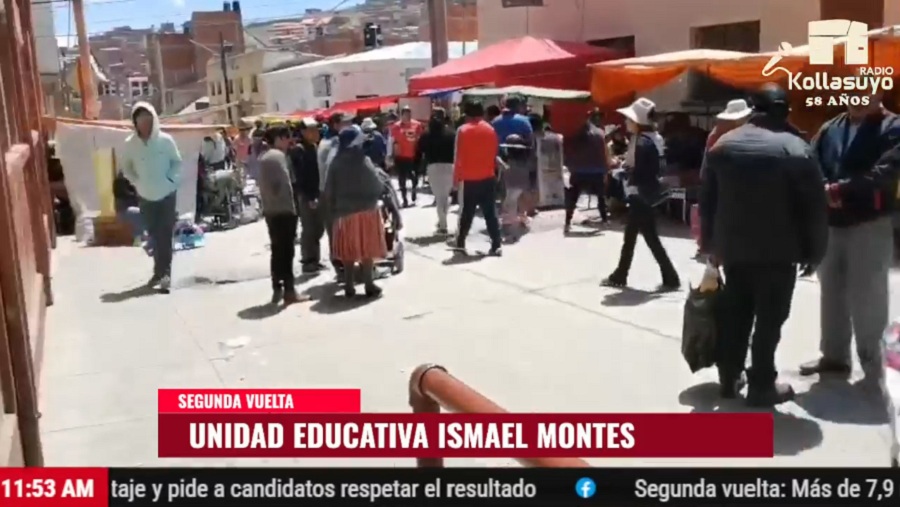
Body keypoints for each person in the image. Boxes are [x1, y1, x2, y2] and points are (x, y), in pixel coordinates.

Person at [701, 84, 829, 406]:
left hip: (734, 251)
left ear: (752, 109)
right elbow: (814, 208)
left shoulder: (723, 145)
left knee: (737, 314)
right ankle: (761, 385)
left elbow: (707, 200)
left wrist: (710, 244)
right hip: (778, 254)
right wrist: (815, 251)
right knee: (769, 321)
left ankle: (729, 377)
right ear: (784, 111)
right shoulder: (795, 148)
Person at [799, 91, 900, 386]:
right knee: (831, 290)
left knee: (868, 296)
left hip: (869, 222)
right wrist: (822, 188)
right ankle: (834, 357)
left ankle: (874, 365)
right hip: (831, 223)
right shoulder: (830, 127)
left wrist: (841, 190)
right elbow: (811, 161)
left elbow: (888, 171)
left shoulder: (893, 127)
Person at [602, 97, 680, 290]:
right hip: (648, 193)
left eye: (629, 119)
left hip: (640, 194)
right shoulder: (655, 138)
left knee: (642, 238)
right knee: (639, 237)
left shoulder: (642, 142)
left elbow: (641, 171)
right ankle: (625, 274)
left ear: (637, 122)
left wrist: (625, 173)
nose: (626, 122)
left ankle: (623, 275)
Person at [119, 102, 182, 291]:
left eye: (147, 120)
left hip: (167, 194)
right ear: (135, 123)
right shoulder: (130, 144)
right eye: (140, 121)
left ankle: (166, 274)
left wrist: (170, 179)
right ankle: (158, 271)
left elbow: (176, 162)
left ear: (154, 120)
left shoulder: (166, 140)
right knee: (153, 235)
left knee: (165, 234)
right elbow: (126, 167)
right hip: (145, 195)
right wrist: (136, 182)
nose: (144, 125)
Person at [321, 126, 389, 298]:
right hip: (366, 211)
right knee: (367, 250)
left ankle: (349, 284)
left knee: (348, 251)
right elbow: (376, 185)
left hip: (344, 213)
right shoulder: (363, 161)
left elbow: (328, 190)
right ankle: (368, 283)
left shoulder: (335, 163)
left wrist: (331, 210)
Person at [258, 125, 304, 305]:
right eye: (286, 138)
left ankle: (277, 287)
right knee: (287, 252)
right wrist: (293, 208)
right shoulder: (278, 157)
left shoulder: (263, 157)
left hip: (270, 210)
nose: (288, 141)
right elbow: (284, 184)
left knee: (277, 251)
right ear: (278, 139)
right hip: (284, 210)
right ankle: (289, 291)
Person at [453, 101, 503, 256]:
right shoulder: (490, 129)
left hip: (469, 179)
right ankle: (496, 244)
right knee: (490, 213)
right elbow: (494, 153)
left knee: (467, 213)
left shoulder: (463, 130)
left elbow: (458, 156)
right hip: (488, 176)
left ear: (468, 115)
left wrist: (456, 180)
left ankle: (460, 243)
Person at [563, 109, 614, 233]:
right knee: (601, 197)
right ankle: (605, 221)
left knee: (573, 198)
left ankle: (567, 222)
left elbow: (570, 152)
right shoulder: (600, 134)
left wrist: (571, 167)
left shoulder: (577, 133)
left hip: (579, 170)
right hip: (596, 170)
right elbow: (604, 154)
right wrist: (606, 169)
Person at [290, 118, 326, 274]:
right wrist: (310, 197)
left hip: (317, 192)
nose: (316, 133)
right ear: (304, 132)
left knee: (318, 227)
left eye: (316, 130)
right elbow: (301, 176)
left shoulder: (315, 147)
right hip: (306, 195)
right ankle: (308, 260)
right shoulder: (299, 150)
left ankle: (315, 258)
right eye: (312, 130)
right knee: (310, 228)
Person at [417, 108, 456, 235]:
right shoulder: (452, 134)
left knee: (439, 197)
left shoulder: (426, 135)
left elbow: (420, 150)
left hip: (433, 167)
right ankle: (442, 220)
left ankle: (443, 225)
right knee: (446, 196)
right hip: (450, 166)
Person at [388, 105, 424, 207]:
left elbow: (421, 138)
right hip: (400, 156)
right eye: (405, 114)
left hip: (414, 155)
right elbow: (391, 141)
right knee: (402, 178)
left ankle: (414, 190)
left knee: (414, 176)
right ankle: (404, 199)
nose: (407, 116)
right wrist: (390, 154)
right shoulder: (396, 127)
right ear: (401, 115)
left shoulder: (417, 125)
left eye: (409, 113)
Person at [499, 134, 532, 231]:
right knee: (518, 202)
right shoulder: (525, 157)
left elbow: (504, 168)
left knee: (510, 202)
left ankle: (511, 224)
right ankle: (520, 220)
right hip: (522, 183)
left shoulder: (507, 158)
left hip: (512, 183)